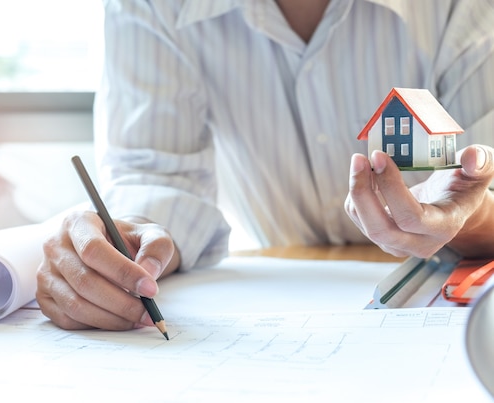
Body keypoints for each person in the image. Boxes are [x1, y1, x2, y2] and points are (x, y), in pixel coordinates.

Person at [36, 0, 494, 331]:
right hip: (284, 293)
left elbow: (479, 181)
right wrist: (136, 237)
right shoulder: (153, 7)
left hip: (451, 291)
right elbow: (154, 176)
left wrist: (467, 215)